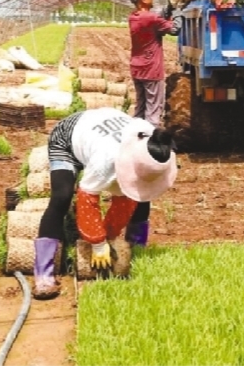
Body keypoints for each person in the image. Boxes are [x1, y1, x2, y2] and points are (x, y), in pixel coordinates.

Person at [33, 108, 178, 300]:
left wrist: (111, 236)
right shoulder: (107, 160)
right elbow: (87, 199)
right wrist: (99, 243)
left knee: (140, 198)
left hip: (103, 130)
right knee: (62, 197)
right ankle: (44, 273)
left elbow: (126, 202)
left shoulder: (158, 147)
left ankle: (135, 250)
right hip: (69, 137)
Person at [128, 0, 181, 128]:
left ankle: (134, 137)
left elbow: (156, 20)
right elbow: (175, 29)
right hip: (151, 69)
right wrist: (178, 10)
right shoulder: (150, 18)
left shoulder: (133, 17)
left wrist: (168, 8)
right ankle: (149, 141)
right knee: (153, 110)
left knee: (140, 108)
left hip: (137, 68)